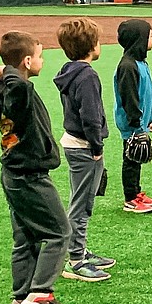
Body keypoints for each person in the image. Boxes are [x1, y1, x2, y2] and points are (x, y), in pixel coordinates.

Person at [0, 31, 77, 304]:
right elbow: (21, 88)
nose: (43, 61)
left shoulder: (5, 90)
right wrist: (11, 72)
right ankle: (41, 293)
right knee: (60, 232)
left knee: (26, 237)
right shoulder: (19, 90)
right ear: (27, 61)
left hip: (14, 174)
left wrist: (2, 76)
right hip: (29, 175)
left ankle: (21, 298)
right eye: (39, 56)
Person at [53, 18, 115, 283]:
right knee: (82, 203)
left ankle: (80, 250)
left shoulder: (70, 71)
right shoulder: (88, 75)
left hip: (73, 143)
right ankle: (76, 259)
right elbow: (90, 115)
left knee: (81, 199)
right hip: (85, 147)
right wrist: (97, 146)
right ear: (91, 46)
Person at [113, 19, 152, 214]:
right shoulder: (128, 66)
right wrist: (136, 124)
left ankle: (137, 192)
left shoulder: (140, 62)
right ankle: (130, 199)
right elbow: (129, 98)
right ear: (139, 39)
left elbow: (148, 91)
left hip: (141, 122)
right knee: (131, 159)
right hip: (132, 124)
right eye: (149, 36)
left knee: (137, 158)